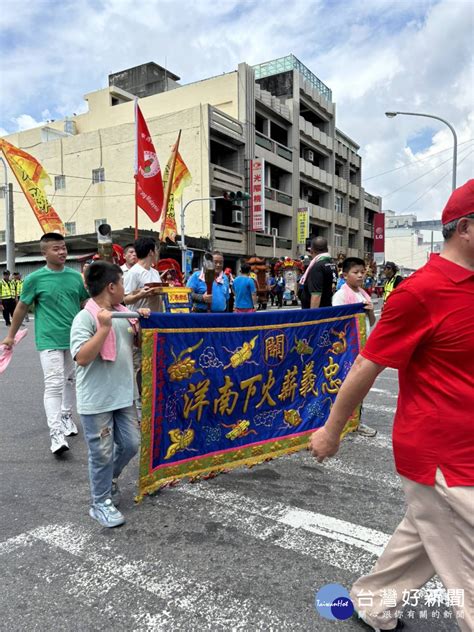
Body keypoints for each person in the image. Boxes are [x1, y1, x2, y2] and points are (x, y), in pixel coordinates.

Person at [309, 179, 474, 632]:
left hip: (466, 450)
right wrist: (331, 429)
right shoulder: (421, 291)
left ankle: (373, 603)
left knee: (425, 535)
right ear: (465, 228)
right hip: (439, 457)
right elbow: (367, 364)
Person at [71, 261, 150, 528]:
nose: (125, 289)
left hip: (124, 395)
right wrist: (103, 328)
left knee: (130, 444)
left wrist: (142, 324)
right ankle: (99, 502)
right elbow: (82, 357)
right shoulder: (86, 317)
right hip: (97, 401)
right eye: (122, 283)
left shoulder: (124, 313)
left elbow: (136, 344)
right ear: (111, 286)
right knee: (101, 453)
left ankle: (110, 479)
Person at [1, 233, 89, 454]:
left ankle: (67, 416)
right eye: (56, 248)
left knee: (71, 380)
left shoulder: (75, 277)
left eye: (63, 248)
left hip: (74, 337)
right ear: (44, 253)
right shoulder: (35, 279)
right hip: (48, 337)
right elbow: (21, 307)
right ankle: (56, 433)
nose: (62, 252)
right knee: (54, 383)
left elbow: (85, 302)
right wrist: (11, 335)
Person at [332, 257, 377, 438]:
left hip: (363, 346)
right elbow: (337, 324)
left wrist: (371, 311)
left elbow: (371, 322)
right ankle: (343, 421)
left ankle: (355, 420)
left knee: (359, 384)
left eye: (362, 272)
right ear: (345, 275)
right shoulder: (340, 296)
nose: (360, 276)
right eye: (355, 272)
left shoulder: (364, 294)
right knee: (346, 384)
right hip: (346, 348)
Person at [123, 237, 162, 416]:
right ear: (151, 252)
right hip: (137, 324)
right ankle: (139, 407)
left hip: (155, 322)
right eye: (156, 250)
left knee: (152, 363)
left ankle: (150, 400)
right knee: (139, 365)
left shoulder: (154, 272)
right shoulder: (133, 272)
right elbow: (125, 298)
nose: (157, 253)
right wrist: (141, 294)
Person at [299, 236, 337, 309]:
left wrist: (313, 315)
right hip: (326, 306)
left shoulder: (317, 266)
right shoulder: (332, 264)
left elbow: (316, 294)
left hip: (317, 311)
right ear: (327, 249)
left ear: (312, 250)